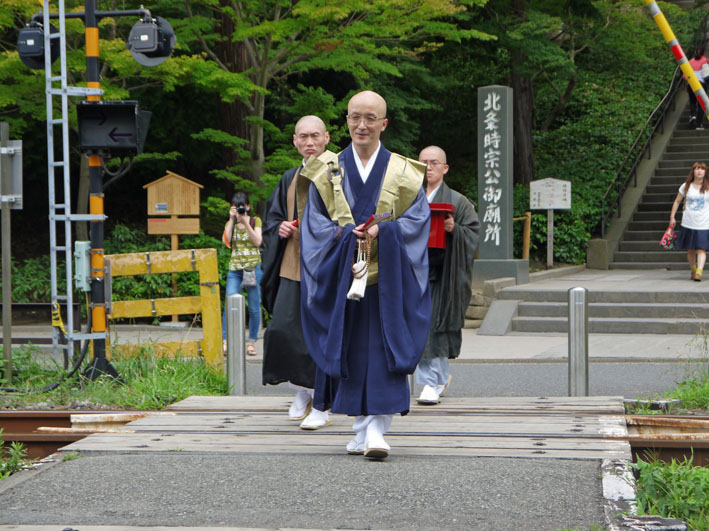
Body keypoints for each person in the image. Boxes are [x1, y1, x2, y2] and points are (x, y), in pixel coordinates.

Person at [299, 90, 431, 459]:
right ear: (346, 122)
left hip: (389, 281)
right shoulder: (327, 172)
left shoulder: (404, 173)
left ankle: (376, 429)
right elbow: (314, 225)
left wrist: (383, 232)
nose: (362, 125)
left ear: (383, 124)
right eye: (355, 117)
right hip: (344, 279)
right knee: (352, 351)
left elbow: (417, 220)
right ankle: (361, 428)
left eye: (370, 118)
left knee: (382, 351)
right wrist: (344, 237)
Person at [260, 115, 332, 429]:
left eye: (315, 136)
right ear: (294, 140)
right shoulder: (289, 177)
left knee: (319, 336)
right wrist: (281, 228)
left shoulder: (337, 174)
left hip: (326, 268)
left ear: (327, 138)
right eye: (303, 137)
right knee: (283, 331)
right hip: (292, 263)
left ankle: (323, 401)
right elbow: (271, 219)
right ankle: (301, 391)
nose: (309, 142)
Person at [415, 146, 480, 405]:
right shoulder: (410, 197)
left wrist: (454, 229)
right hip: (415, 272)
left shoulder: (458, 201)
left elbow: (473, 235)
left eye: (434, 163)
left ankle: (432, 382)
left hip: (445, 274)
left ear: (445, 168)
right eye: (423, 163)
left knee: (436, 326)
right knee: (417, 327)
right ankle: (436, 379)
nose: (428, 167)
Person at [222, 191, 263, 355]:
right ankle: (226, 341)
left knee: (253, 307)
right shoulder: (230, 222)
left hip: (252, 268)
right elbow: (226, 241)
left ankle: (251, 342)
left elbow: (258, 242)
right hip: (235, 269)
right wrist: (232, 221)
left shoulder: (255, 221)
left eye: (242, 207)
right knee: (229, 304)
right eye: (236, 207)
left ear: (248, 207)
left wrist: (246, 223)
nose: (240, 210)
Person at [670, 161, 709, 281]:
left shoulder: (708, 186)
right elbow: (677, 201)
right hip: (688, 222)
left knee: (701, 248)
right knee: (691, 248)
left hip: (704, 222)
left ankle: (699, 272)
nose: (699, 171)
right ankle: (693, 269)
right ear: (693, 171)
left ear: (705, 171)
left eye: (702, 169)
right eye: (697, 169)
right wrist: (672, 216)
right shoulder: (686, 186)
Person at [685, 47, 708, 128]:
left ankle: (693, 115)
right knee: (701, 104)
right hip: (701, 84)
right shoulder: (706, 60)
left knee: (692, 101)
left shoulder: (690, 61)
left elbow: (685, 76)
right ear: (703, 52)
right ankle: (698, 123)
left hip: (691, 84)